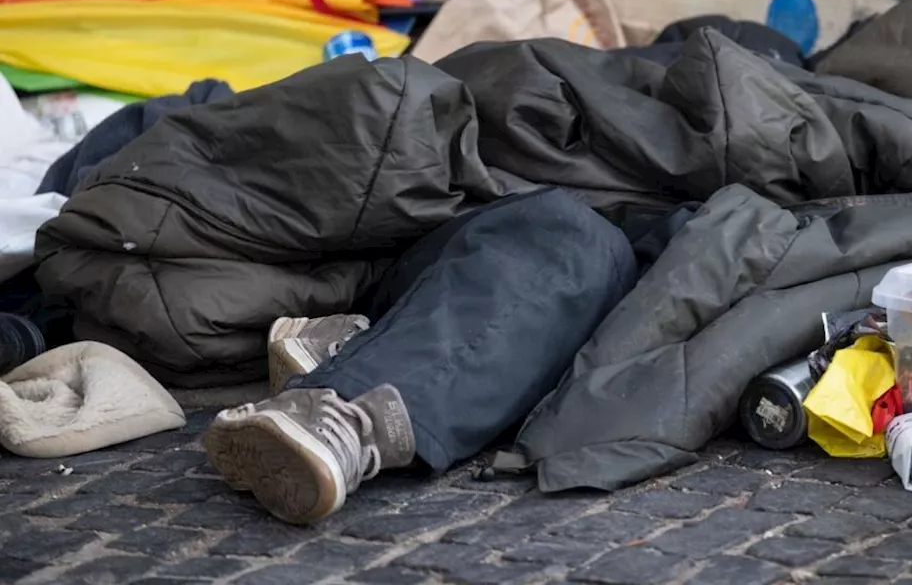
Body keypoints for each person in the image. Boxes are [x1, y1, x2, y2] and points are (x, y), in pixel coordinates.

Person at [201, 189, 638, 524]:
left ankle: (354, 349)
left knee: (587, 255)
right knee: (574, 240)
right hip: (495, 230)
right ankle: (351, 411)